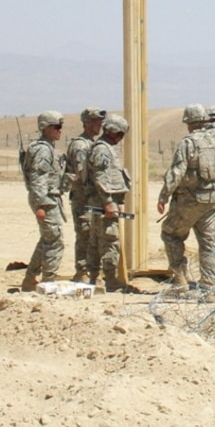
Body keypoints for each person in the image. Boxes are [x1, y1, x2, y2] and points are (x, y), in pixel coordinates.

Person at [157, 103, 215, 291]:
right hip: (212, 199)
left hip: (189, 200)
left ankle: (180, 279)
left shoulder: (188, 143)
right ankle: (209, 288)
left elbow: (177, 171)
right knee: (209, 244)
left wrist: (164, 196)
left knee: (170, 234)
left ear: (188, 123)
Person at [84, 113, 132, 292]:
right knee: (109, 241)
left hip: (103, 203)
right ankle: (110, 280)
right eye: (120, 134)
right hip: (103, 204)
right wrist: (109, 202)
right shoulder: (102, 150)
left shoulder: (106, 148)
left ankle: (95, 279)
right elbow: (101, 177)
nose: (121, 139)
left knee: (97, 241)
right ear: (112, 132)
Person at [21, 111, 66, 292]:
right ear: (45, 128)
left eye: (60, 127)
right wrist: (40, 205)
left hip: (48, 198)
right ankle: (48, 281)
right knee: (55, 240)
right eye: (56, 127)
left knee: (47, 239)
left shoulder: (47, 148)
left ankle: (31, 278)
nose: (59, 131)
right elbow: (38, 178)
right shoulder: (42, 150)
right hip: (45, 200)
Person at [66, 107, 106, 283]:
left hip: (92, 198)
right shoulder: (81, 145)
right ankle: (82, 272)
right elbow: (83, 175)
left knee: (94, 234)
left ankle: (92, 271)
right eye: (96, 121)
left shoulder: (92, 144)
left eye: (100, 121)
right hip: (83, 197)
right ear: (87, 123)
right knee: (85, 233)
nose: (100, 125)